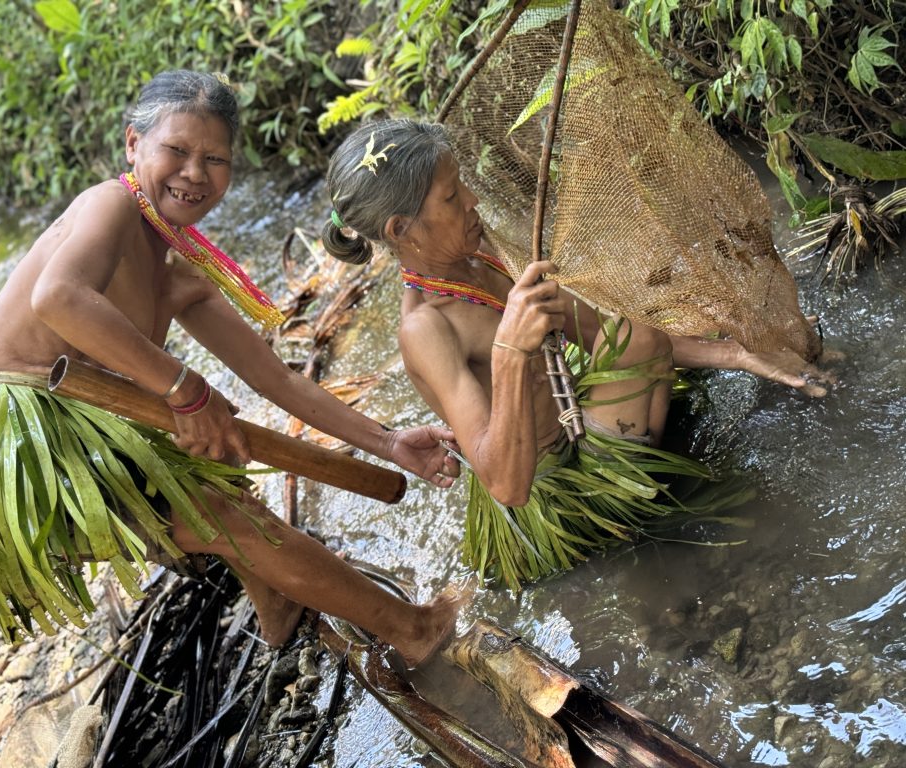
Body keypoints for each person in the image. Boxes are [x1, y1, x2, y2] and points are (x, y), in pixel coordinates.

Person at [0, 73, 465, 665]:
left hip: (68, 430)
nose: (195, 174)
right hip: (8, 442)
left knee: (217, 448)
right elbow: (58, 298)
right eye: (176, 151)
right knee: (220, 507)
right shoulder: (111, 204)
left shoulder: (181, 269)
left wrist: (387, 444)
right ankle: (413, 629)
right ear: (134, 144)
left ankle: (277, 605)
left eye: (215, 159)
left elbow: (276, 380)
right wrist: (184, 388)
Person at [322, 118, 835, 590]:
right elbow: (505, 484)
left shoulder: (477, 253)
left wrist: (741, 352)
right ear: (399, 230)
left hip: (574, 424)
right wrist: (509, 352)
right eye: (453, 196)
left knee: (640, 335)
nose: (474, 200)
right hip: (550, 493)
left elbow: (600, 332)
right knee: (649, 355)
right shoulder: (426, 328)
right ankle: (653, 539)